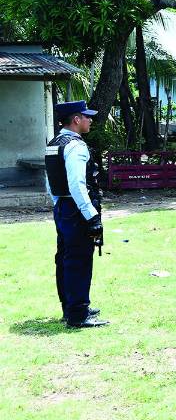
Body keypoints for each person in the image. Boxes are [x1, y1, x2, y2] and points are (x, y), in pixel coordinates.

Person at [45, 100, 106, 328]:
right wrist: (91, 216)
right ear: (76, 119)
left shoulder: (54, 143)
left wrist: (58, 203)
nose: (90, 120)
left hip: (63, 206)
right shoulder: (76, 146)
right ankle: (78, 314)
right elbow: (77, 185)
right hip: (76, 208)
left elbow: (50, 181)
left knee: (64, 258)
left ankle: (70, 307)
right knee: (79, 259)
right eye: (86, 116)